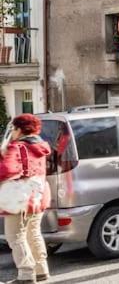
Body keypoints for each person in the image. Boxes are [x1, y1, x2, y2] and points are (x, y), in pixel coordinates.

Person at [0, 114, 51, 283]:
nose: (12, 132)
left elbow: (6, 171)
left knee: (15, 236)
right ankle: (41, 270)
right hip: (38, 197)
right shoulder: (39, 146)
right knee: (33, 233)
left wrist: (3, 154)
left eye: (13, 129)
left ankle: (26, 275)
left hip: (18, 200)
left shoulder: (17, 146)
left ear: (19, 129)